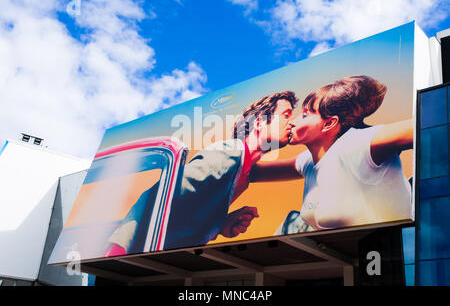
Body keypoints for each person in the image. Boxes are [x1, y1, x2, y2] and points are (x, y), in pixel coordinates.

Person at [103, 91, 299, 256]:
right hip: (134, 253)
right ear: (259, 123)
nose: (292, 122)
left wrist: (221, 225)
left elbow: (298, 167)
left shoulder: (245, 169)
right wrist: (119, 249)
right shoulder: (229, 153)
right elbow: (160, 195)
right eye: (287, 115)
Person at [250, 75, 413, 234]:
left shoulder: (359, 143)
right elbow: (251, 172)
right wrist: (263, 138)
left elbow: (423, 124)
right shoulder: (306, 161)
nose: (293, 121)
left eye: (305, 114)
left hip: (396, 252)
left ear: (329, 123)